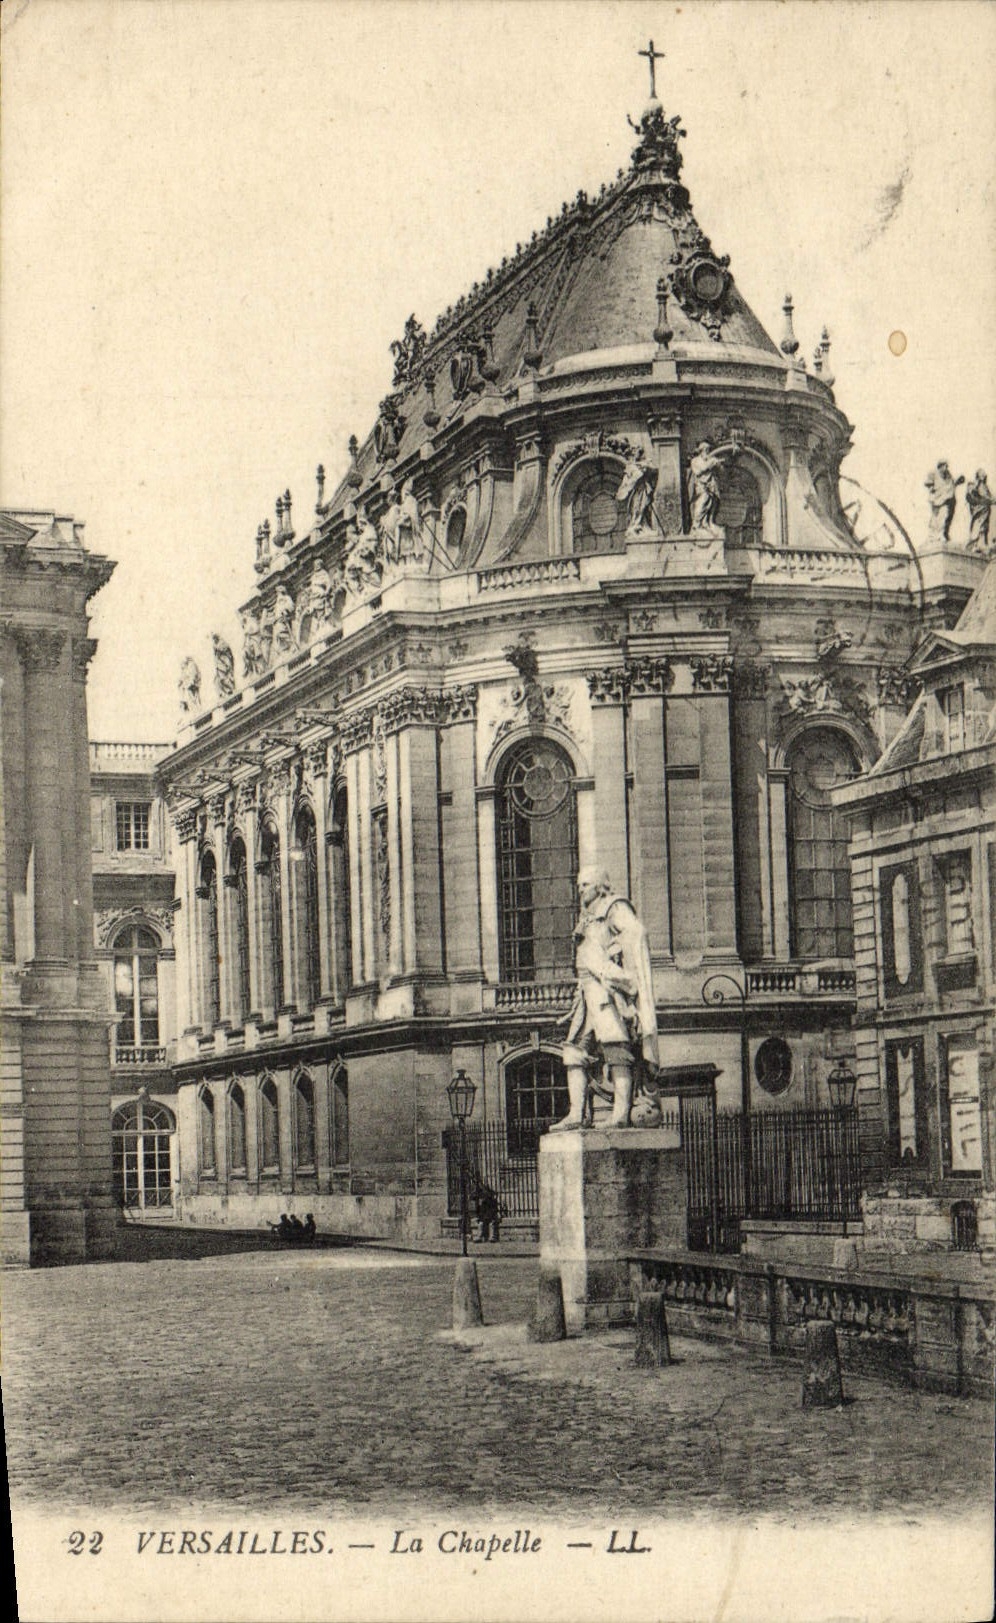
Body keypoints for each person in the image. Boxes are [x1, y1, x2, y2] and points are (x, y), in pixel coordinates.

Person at [553, 866, 660, 1130]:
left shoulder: (614, 906)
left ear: (600, 885)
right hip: (586, 992)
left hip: (605, 990)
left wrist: (616, 963)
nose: (581, 890)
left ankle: (621, 1114)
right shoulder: (588, 916)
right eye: (579, 885)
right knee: (574, 1049)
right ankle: (577, 1114)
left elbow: (636, 933)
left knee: (616, 1047)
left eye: (586, 885)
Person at [965, 470, 993, 553]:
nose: (984, 476)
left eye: (984, 475)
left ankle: (981, 544)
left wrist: (991, 500)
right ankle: (973, 545)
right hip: (979, 510)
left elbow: (989, 497)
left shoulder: (985, 487)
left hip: (985, 510)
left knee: (984, 527)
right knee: (978, 526)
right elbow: (970, 495)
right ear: (978, 476)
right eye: (982, 475)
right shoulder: (973, 484)